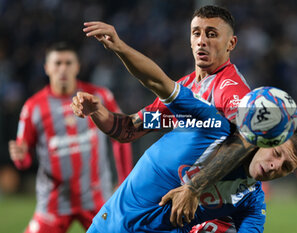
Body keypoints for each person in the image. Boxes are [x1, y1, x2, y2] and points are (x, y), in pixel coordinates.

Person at [70, 39, 297, 233]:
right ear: (265, 139)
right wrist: (119, 49)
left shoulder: (251, 201)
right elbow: (153, 90)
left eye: (286, 167)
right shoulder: (209, 121)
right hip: (109, 225)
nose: (274, 166)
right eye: (277, 154)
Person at [81, 5, 267, 231]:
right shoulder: (187, 85)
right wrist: (98, 112)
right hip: (131, 207)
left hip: (174, 213)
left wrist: (197, 189)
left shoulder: (231, 90)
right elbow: (129, 129)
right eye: (196, 33)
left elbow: (248, 139)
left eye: (211, 34)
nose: (202, 41)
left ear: (231, 43)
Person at [8, 42, 133, 233]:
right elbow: (23, 161)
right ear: (47, 68)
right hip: (53, 203)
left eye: (68, 63)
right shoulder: (33, 107)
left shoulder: (99, 97)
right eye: (57, 63)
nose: (63, 68)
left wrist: (125, 180)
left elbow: (122, 136)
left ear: (77, 66)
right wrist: (20, 158)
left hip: (96, 199)